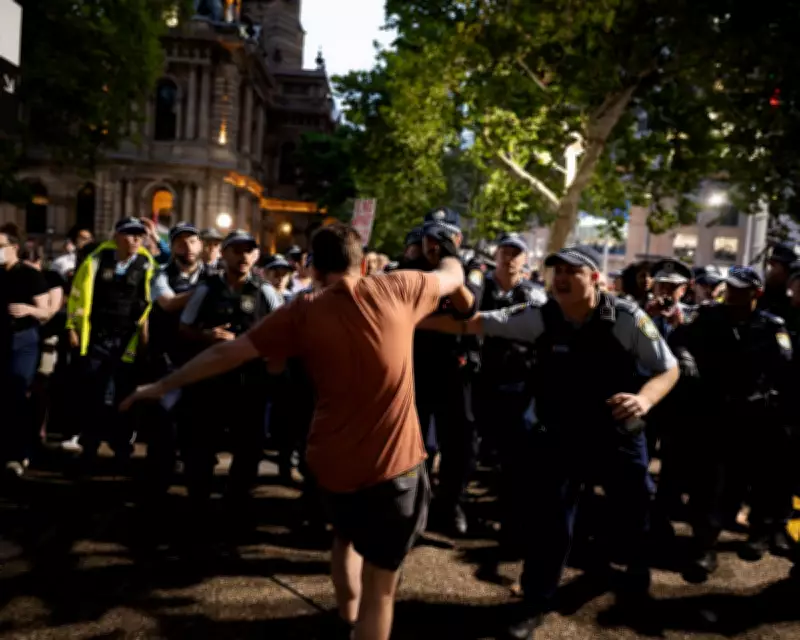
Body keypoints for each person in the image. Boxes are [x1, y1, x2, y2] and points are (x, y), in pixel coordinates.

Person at [121, 222, 466, 640]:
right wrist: (445, 250)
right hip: (393, 467)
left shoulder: (301, 311)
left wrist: (161, 385)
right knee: (383, 587)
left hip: (332, 463)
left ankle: (345, 618)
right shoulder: (399, 287)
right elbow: (453, 277)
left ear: (314, 269)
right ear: (361, 262)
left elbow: (228, 352)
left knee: (345, 538)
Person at [419, 245, 680, 639]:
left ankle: (635, 571)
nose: (560, 277)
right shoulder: (540, 316)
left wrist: (644, 399)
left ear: (595, 278)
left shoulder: (625, 317)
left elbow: (668, 368)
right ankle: (536, 600)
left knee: (633, 509)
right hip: (561, 436)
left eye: (572, 271)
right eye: (556, 269)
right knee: (549, 522)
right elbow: (471, 324)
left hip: (616, 435)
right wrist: (406, 319)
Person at [66, 217, 157, 468]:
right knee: (92, 392)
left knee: (124, 394)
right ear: (116, 236)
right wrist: (72, 327)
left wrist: (144, 338)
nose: (136, 239)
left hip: (128, 339)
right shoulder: (96, 260)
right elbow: (77, 296)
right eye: (129, 234)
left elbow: (148, 303)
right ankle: (90, 446)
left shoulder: (145, 264)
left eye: (140, 235)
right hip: (96, 337)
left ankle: (122, 447)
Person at [0, 224, 51, 477]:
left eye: (0, 247)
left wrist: (29, 310)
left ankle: (19, 453)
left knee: (17, 392)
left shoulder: (30, 275)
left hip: (23, 340)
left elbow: (46, 311)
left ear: (14, 248)